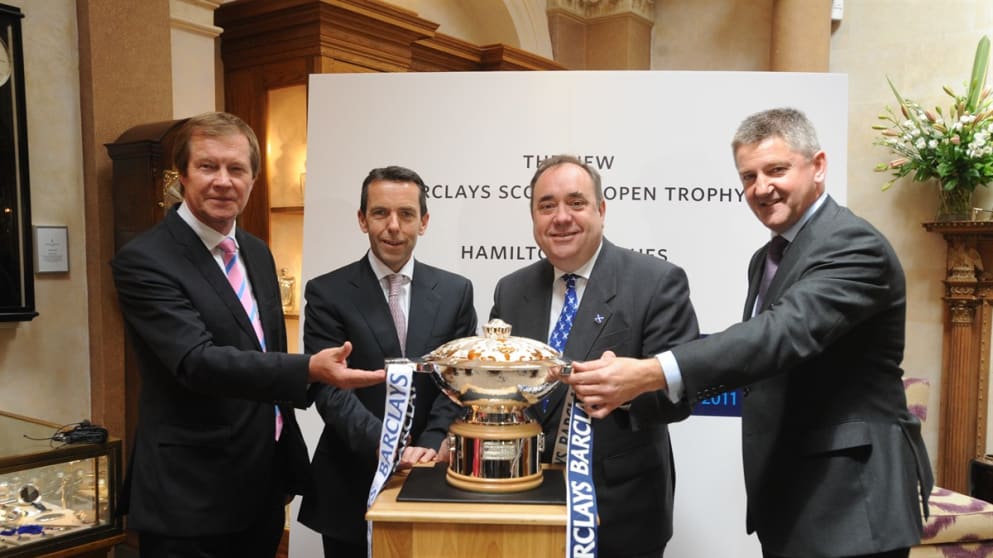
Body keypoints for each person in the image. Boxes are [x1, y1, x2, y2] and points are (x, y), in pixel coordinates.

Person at [567, 108, 934, 558]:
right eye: (748, 176)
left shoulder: (853, 244)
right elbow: (756, 355)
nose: (761, 188)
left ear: (817, 166)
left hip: (851, 503)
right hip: (794, 497)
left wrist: (650, 371)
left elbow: (781, 334)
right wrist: (636, 382)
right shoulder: (768, 257)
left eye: (776, 170)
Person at [111, 112, 385, 558]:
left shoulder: (256, 252)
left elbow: (263, 350)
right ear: (182, 175)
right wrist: (309, 369)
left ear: (253, 178)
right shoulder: (145, 260)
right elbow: (196, 362)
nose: (223, 181)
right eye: (208, 166)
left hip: (261, 486)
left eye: (236, 169)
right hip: (190, 498)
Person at [489, 155, 700, 558]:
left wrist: (625, 388)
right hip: (523, 503)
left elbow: (682, 394)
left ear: (601, 211)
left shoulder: (656, 282)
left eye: (576, 202)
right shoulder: (511, 290)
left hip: (621, 512)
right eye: (546, 205)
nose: (561, 217)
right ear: (533, 217)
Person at [297, 165, 478, 558]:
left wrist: (430, 445)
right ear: (362, 220)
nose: (393, 226)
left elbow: (459, 380)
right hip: (351, 481)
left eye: (406, 214)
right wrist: (386, 443)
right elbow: (329, 387)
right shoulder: (327, 292)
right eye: (380, 213)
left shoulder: (455, 292)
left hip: (433, 473)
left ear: (424, 221)